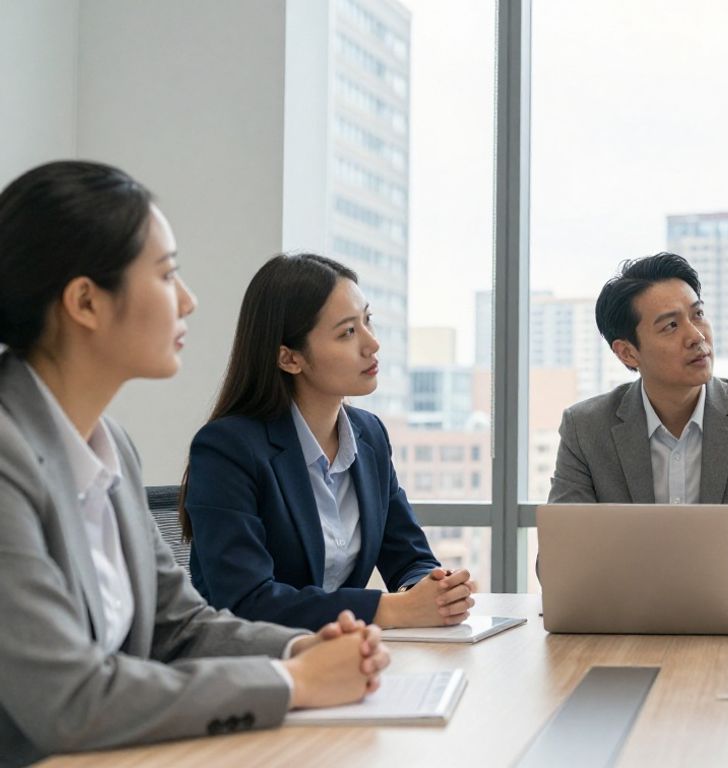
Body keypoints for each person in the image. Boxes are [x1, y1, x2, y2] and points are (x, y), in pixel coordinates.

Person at [0, 161, 390, 766]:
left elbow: (177, 627)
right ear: (85, 302)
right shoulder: (7, 457)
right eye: (166, 275)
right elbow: (68, 699)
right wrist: (296, 683)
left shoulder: (111, 448)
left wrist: (305, 648)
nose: (189, 300)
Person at [181, 254, 476, 632]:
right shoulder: (227, 449)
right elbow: (246, 602)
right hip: (256, 672)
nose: (372, 344)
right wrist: (393, 610)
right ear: (289, 358)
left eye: (366, 321)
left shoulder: (369, 436)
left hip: (346, 659)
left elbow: (408, 556)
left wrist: (432, 590)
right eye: (347, 332)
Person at [548, 252, 728, 604]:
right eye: (671, 326)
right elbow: (561, 555)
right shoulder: (586, 427)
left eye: (698, 315)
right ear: (628, 353)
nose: (696, 336)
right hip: (625, 623)